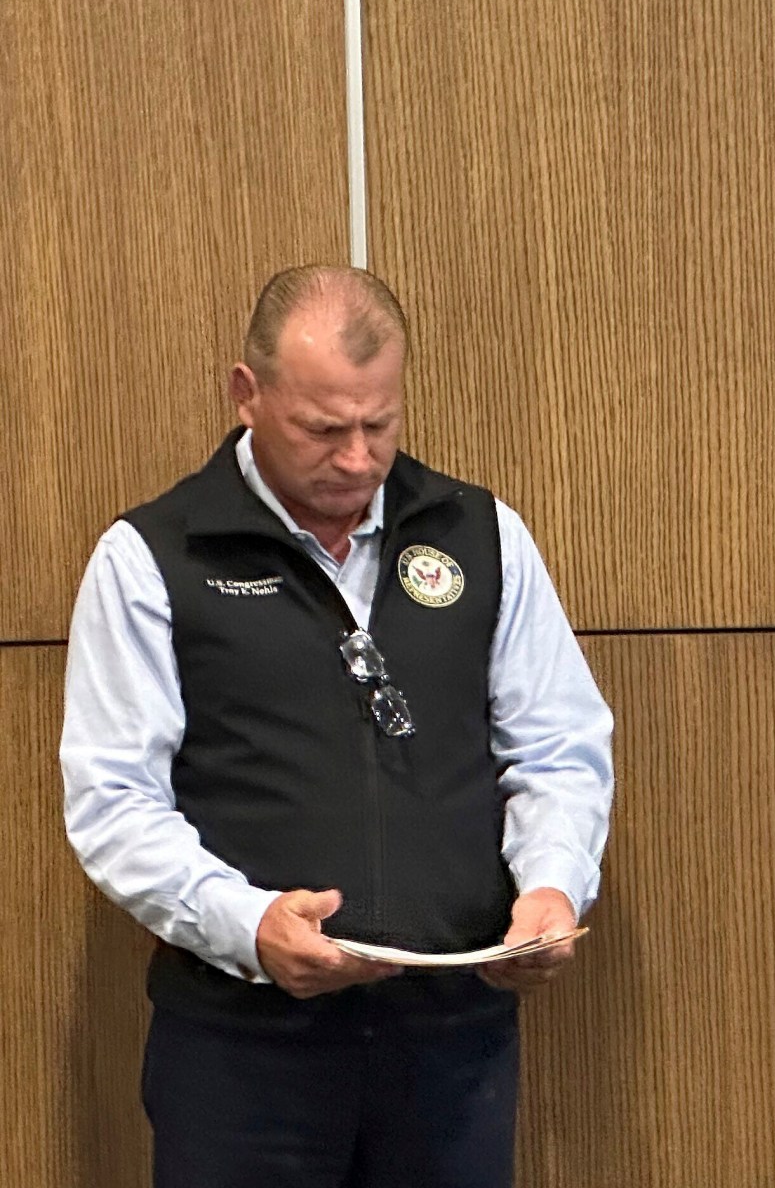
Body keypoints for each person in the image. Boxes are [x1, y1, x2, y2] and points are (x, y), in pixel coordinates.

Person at [60, 266, 616, 1188]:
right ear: (247, 394)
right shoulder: (154, 557)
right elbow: (114, 802)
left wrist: (554, 887)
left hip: (452, 1042)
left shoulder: (480, 534)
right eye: (323, 429)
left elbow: (558, 746)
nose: (357, 459)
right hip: (242, 1050)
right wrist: (249, 926)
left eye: (379, 424)